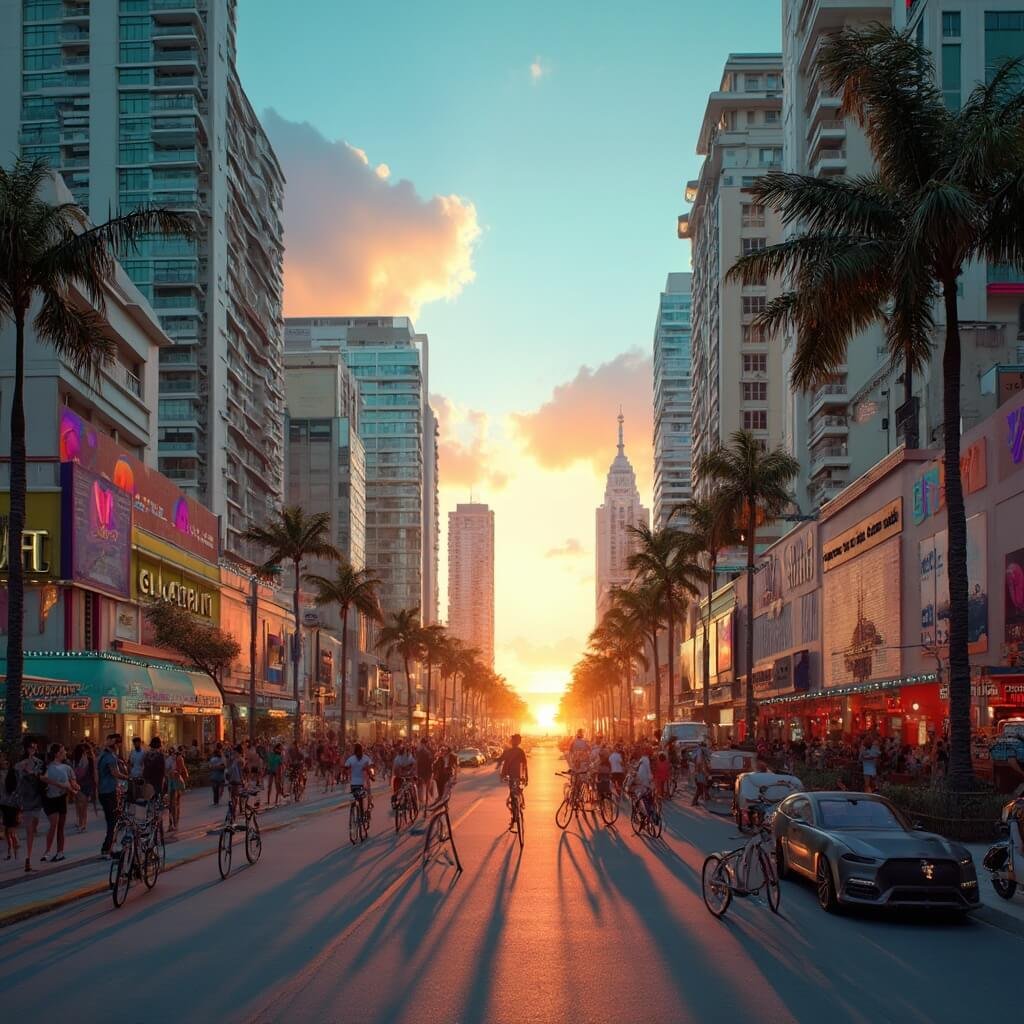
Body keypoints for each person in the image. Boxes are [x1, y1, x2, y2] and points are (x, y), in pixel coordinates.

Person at [41, 743, 76, 863]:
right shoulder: (48, 766)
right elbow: (43, 778)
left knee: (60, 826)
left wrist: (75, 787)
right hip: (50, 798)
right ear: (57, 754)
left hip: (62, 798)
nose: (65, 752)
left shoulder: (67, 767)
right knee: (53, 824)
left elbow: (73, 781)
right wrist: (59, 784)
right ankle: (47, 852)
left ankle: (60, 852)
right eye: (63, 751)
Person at [15, 738, 45, 872]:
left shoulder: (39, 762)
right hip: (26, 798)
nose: (33, 749)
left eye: (35, 747)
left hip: (36, 798)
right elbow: (17, 780)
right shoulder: (19, 765)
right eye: (31, 747)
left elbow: (42, 776)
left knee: (34, 826)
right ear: (26, 749)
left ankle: (27, 854)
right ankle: (28, 857)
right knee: (29, 830)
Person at [97, 733, 127, 857]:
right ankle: (107, 849)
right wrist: (129, 778)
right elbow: (115, 773)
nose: (118, 745)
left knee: (113, 820)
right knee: (113, 821)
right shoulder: (109, 757)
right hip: (108, 792)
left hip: (104, 791)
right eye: (117, 743)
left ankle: (110, 848)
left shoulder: (104, 755)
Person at [497, 734, 529, 830]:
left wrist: (497, 761)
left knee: (513, 795)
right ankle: (516, 811)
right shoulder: (518, 751)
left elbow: (524, 765)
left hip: (515, 777)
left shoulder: (513, 751)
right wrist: (526, 778)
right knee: (515, 794)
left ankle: (515, 815)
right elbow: (525, 765)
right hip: (515, 777)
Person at [344, 742, 375, 819]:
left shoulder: (351, 759)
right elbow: (371, 767)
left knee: (356, 797)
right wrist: (371, 775)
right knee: (367, 794)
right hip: (362, 784)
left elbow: (345, 768)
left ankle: (357, 810)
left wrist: (348, 772)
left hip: (353, 784)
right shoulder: (366, 758)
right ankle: (365, 811)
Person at [71, 742, 96, 834]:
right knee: (81, 804)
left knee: (84, 805)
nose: (85, 752)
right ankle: (81, 823)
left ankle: (83, 824)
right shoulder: (75, 761)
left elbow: (93, 772)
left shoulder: (89, 760)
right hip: (78, 784)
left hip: (86, 784)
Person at [1, 760, 21, 862]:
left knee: (9, 829)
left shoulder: (7, 775)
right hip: (9, 804)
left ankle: (14, 850)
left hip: (8, 805)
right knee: (8, 829)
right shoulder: (12, 775)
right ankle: (12, 852)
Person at [415, 738, 434, 814]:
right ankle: (425, 803)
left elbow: (417, 762)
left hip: (422, 772)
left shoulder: (419, 751)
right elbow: (431, 761)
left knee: (421, 788)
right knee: (425, 788)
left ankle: (422, 802)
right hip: (426, 772)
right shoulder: (428, 751)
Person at [691, 740, 710, 807]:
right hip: (700, 775)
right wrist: (706, 774)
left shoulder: (697, 756)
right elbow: (702, 767)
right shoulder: (701, 758)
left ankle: (707, 797)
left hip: (698, 775)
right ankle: (694, 801)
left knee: (702, 787)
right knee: (700, 789)